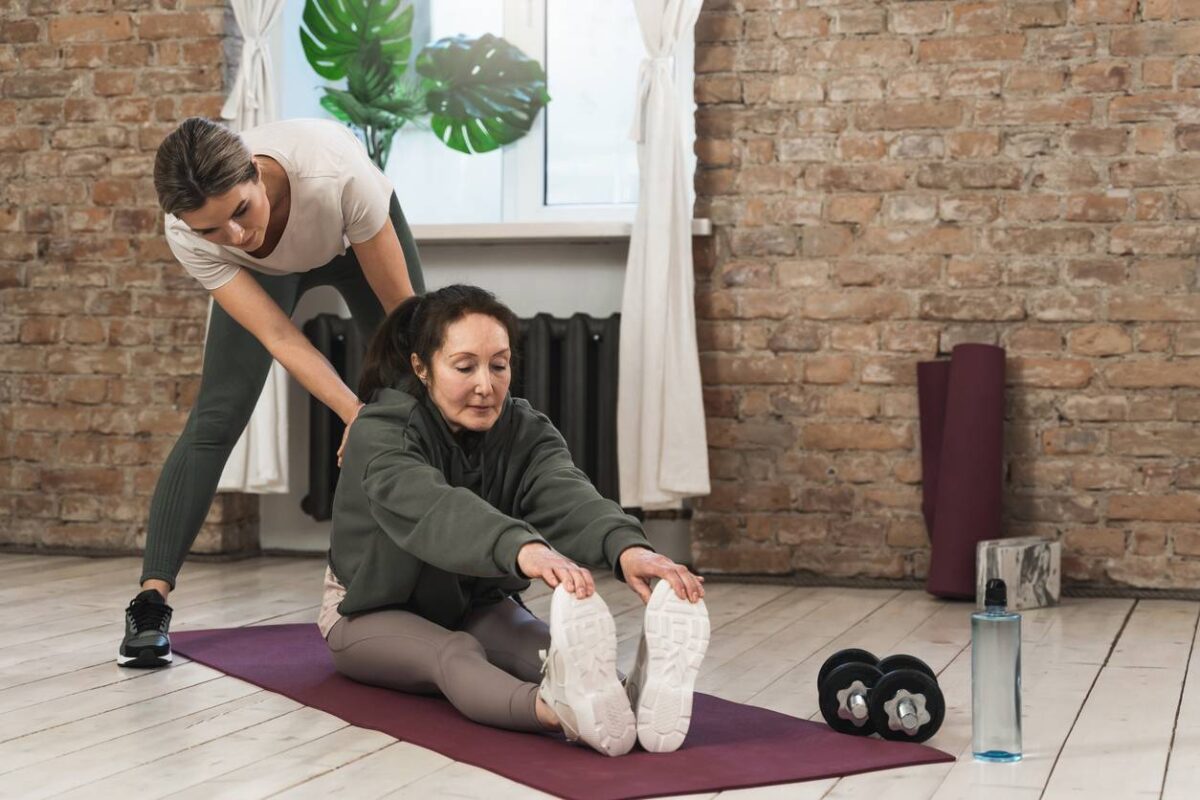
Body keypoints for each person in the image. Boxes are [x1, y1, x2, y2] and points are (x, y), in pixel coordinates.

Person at [321, 284, 710, 755]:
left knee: (547, 648)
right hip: (368, 611)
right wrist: (523, 548)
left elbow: (565, 491)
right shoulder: (379, 433)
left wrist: (629, 549)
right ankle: (560, 713)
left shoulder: (522, 429)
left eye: (499, 365)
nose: (486, 385)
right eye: (465, 367)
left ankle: (627, 698)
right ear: (421, 368)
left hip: (471, 604)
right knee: (454, 653)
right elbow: (435, 508)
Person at [119, 117, 425, 668]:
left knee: (418, 382)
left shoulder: (335, 175)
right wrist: (353, 411)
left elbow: (405, 321)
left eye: (240, 211)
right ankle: (150, 601)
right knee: (217, 415)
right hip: (268, 279)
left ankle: (451, 578)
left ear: (256, 175)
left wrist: (386, 400)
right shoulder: (190, 232)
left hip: (351, 242)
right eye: (211, 230)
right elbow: (280, 335)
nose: (234, 236)